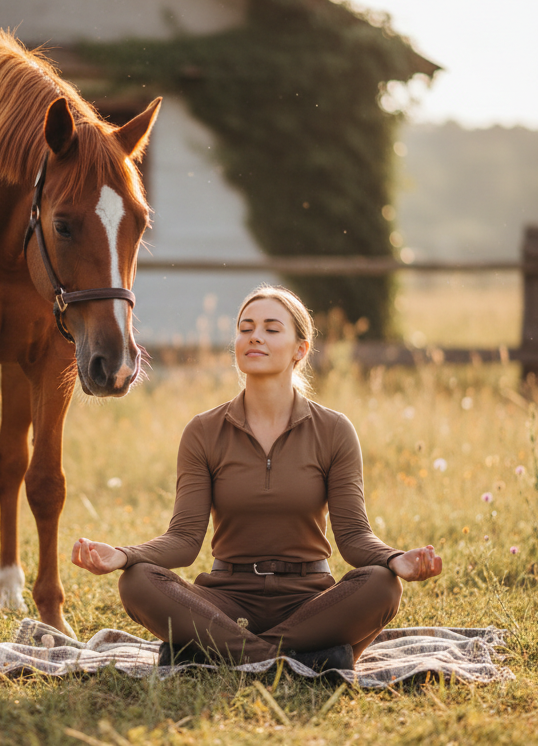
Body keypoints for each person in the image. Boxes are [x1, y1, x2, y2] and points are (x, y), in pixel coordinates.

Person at [70, 285, 442, 670]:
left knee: (382, 585)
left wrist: (395, 559)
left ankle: (220, 653)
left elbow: (353, 537)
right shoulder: (203, 431)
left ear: (300, 348)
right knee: (136, 581)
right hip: (226, 602)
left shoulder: (334, 430)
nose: (255, 337)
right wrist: (125, 555)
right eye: (245, 328)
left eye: (270, 328)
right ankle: (298, 660)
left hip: (309, 603)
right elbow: (183, 539)